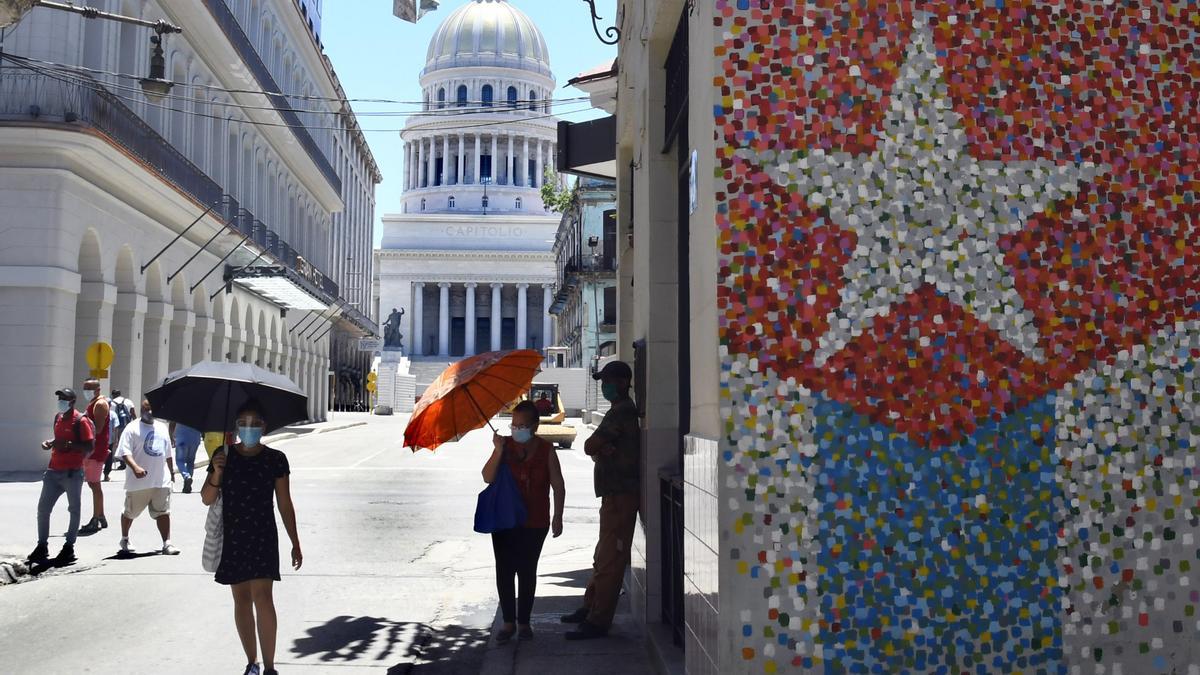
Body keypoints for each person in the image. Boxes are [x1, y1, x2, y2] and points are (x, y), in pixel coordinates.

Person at [201, 402, 301, 675]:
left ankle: (269, 666)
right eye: (243, 423)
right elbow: (206, 498)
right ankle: (251, 662)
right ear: (235, 427)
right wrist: (217, 472)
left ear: (264, 427)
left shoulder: (276, 459)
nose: (249, 428)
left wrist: (295, 541)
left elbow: (284, 502)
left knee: (263, 597)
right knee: (241, 600)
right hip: (233, 535)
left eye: (254, 422)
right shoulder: (224, 456)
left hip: (262, 535)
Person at [562, 361, 641, 640]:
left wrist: (600, 450)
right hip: (613, 494)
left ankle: (598, 620)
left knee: (610, 560)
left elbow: (589, 445)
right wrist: (600, 450)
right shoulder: (618, 412)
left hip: (621, 495)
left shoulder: (622, 412)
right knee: (602, 555)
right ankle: (589, 606)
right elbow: (596, 448)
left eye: (607, 381)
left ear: (621, 382)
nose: (603, 386)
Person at [482, 401, 566, 643]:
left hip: (535, 520)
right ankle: (508, 622)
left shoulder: (546, 450)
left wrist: (558, 517)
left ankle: (524, 622)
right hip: (504, 519)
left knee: (527, 570)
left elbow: (558, 485)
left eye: (522, 425)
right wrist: (498, 451)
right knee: (505, 570)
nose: (516, 429)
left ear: (535, 426)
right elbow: (487, 477)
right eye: (513, 425)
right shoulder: (504, 445)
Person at [28, 388, 95, 565]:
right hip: (53, 471)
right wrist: (51, 442)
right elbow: (58, 438)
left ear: (72, 401)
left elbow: (89, 447)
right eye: (59, 398)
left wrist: (70, 445)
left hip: (72, 472)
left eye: (64, 399)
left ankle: (69, 547)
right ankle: (42, 545)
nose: (60, 401)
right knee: (43, 509)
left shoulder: (81, 420)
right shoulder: (58, 417)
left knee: (74, 510)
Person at [114, 398, 179, 556]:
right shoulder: (132, 428)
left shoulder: (162, 428)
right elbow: (124, 452)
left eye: (151, 409)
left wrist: (171, 472)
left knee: (163, 512)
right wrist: (135, 467)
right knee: (130, 512)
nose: (149, 412)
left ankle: (167, 543)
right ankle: (125, 538)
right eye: (145, 409)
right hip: (138, 482)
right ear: (140, 410)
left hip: (160, 480)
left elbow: (168, 453)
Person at [78, 379, 111, 534]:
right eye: (84, 388)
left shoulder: (100, 404)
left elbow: (97, 429)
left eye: (89, 388)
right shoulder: (95, 402)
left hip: (95, 450)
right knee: (94, 484)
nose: (86, 391)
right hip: (94, 449)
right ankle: (101, 515)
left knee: (94, 484)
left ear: (97, 389)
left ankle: (96, 518)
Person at [106, 389, 135, 481]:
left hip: (117, 426)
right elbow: (133, 414)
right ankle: (126, 462)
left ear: (113, 395)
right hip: (128, 425)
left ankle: (122, 462)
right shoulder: (128, 401)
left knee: (118, 444)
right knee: (128, 445)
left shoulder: (112, 403)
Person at [170, 421, 203, 493]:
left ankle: (186, 476)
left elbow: (172, 423)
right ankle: (187, 485)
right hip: (195, 438)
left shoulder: (179, 410)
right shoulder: (198, 410)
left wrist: (171, 436)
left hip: (182, 438)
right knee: (190, 462)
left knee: (179, 461)